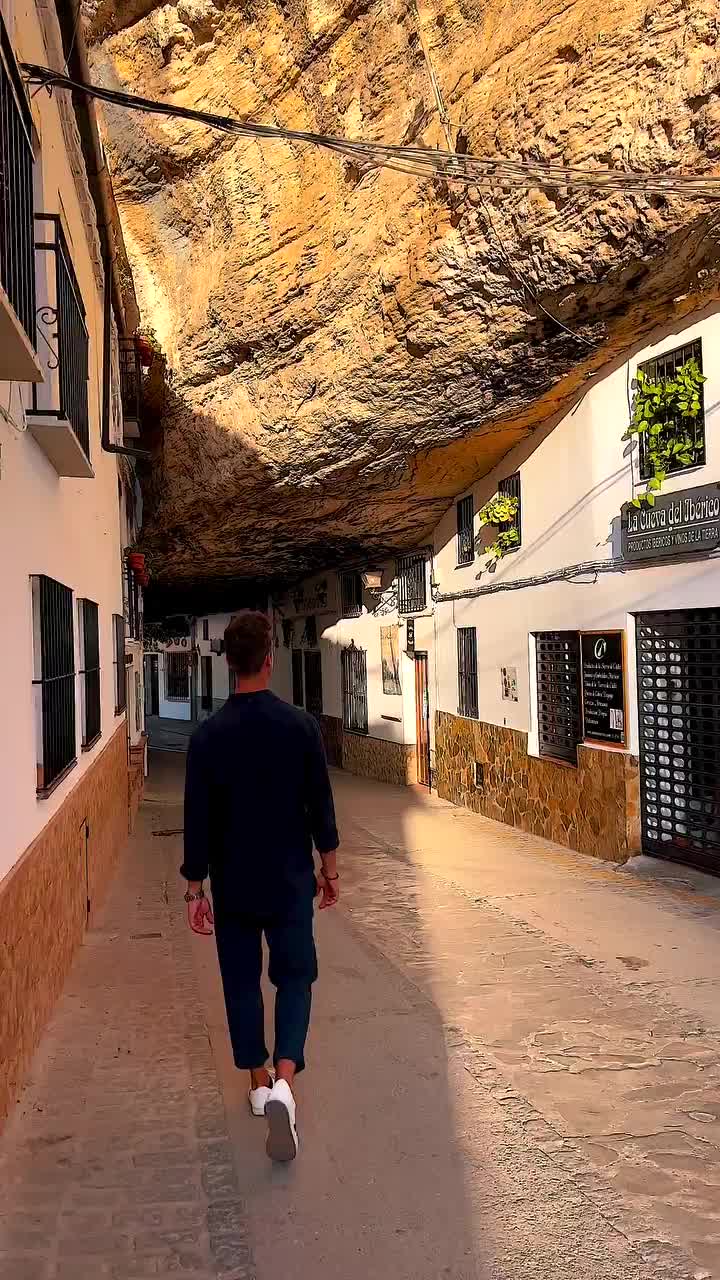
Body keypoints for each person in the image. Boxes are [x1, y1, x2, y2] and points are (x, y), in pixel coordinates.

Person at [181, 610, 339, 1162]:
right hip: (291, 881)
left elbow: (196, 820)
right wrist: (330, 870)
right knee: (296, 976)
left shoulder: (207, 737)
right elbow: (321, 806)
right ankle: (286, 1083)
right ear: (269, 659)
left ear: (228, 663)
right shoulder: (300, 728)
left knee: (241, 983)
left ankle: (256, 1081)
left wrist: (195, 889)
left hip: (235, 887)